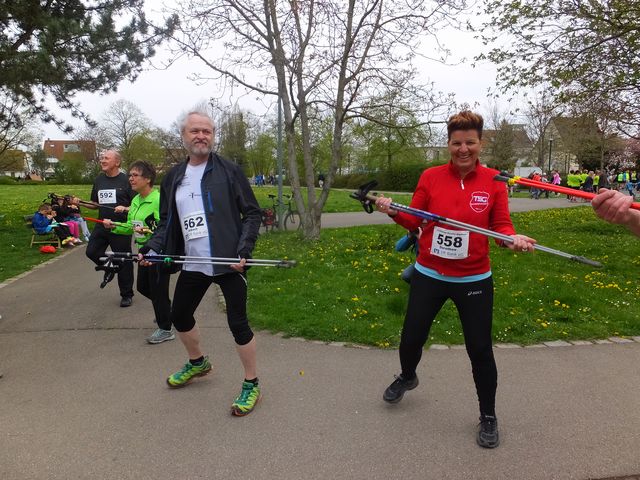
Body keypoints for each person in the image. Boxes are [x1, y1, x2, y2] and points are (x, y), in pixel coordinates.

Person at [375, 110, 536, 449]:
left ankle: (488, 415)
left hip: (474, 278)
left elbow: (500, 226)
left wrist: (510, 239)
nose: (463, 149)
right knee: (411, 338)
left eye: (470, 143)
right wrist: (392, 211)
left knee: (480, 350)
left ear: (481, 143)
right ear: (448, 144)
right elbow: (414, 220)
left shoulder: (494, 180)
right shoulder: (431, 176)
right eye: (456, 143)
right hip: (429, 273)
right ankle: (408, 376)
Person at [141, 108, 262, 416]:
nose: (201, 136)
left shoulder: (229, 170)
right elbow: (167, 221)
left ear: (213, 136)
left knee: (238, 323)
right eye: (195, 131)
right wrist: (152, 247)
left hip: (228, 262)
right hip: (193, 262)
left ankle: (251, 383)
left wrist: (244, 249)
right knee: (179, 315)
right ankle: (198, 363)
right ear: (183, 136)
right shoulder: (174, 177)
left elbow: (252, 213)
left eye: (207, 131)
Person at [103, 161, 174, 344]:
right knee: (143, 287)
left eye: (135, 175)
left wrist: (149, 231)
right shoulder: (135, 200)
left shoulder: (159, 199)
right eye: (130, 175)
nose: (130, 179)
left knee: (158, 290)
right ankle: (168, 312)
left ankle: (166, 328)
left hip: (158, 251)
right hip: (143, 251)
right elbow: (131, 226)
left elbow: (165, 227)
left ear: (148, 179)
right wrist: (114, 226)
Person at [83, 150, 135, 307]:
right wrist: (79, 202)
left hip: (120, 227)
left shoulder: (126, 180)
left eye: (106, 158)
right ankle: (109, 267)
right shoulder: (99, 179)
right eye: (102, 158)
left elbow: (136, 205)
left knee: (123, 260)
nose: (102, 160)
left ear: (117, 162)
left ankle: (126, 294)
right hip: (102, 224)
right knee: (91, 251)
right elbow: (95, 204)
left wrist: (125, 208)